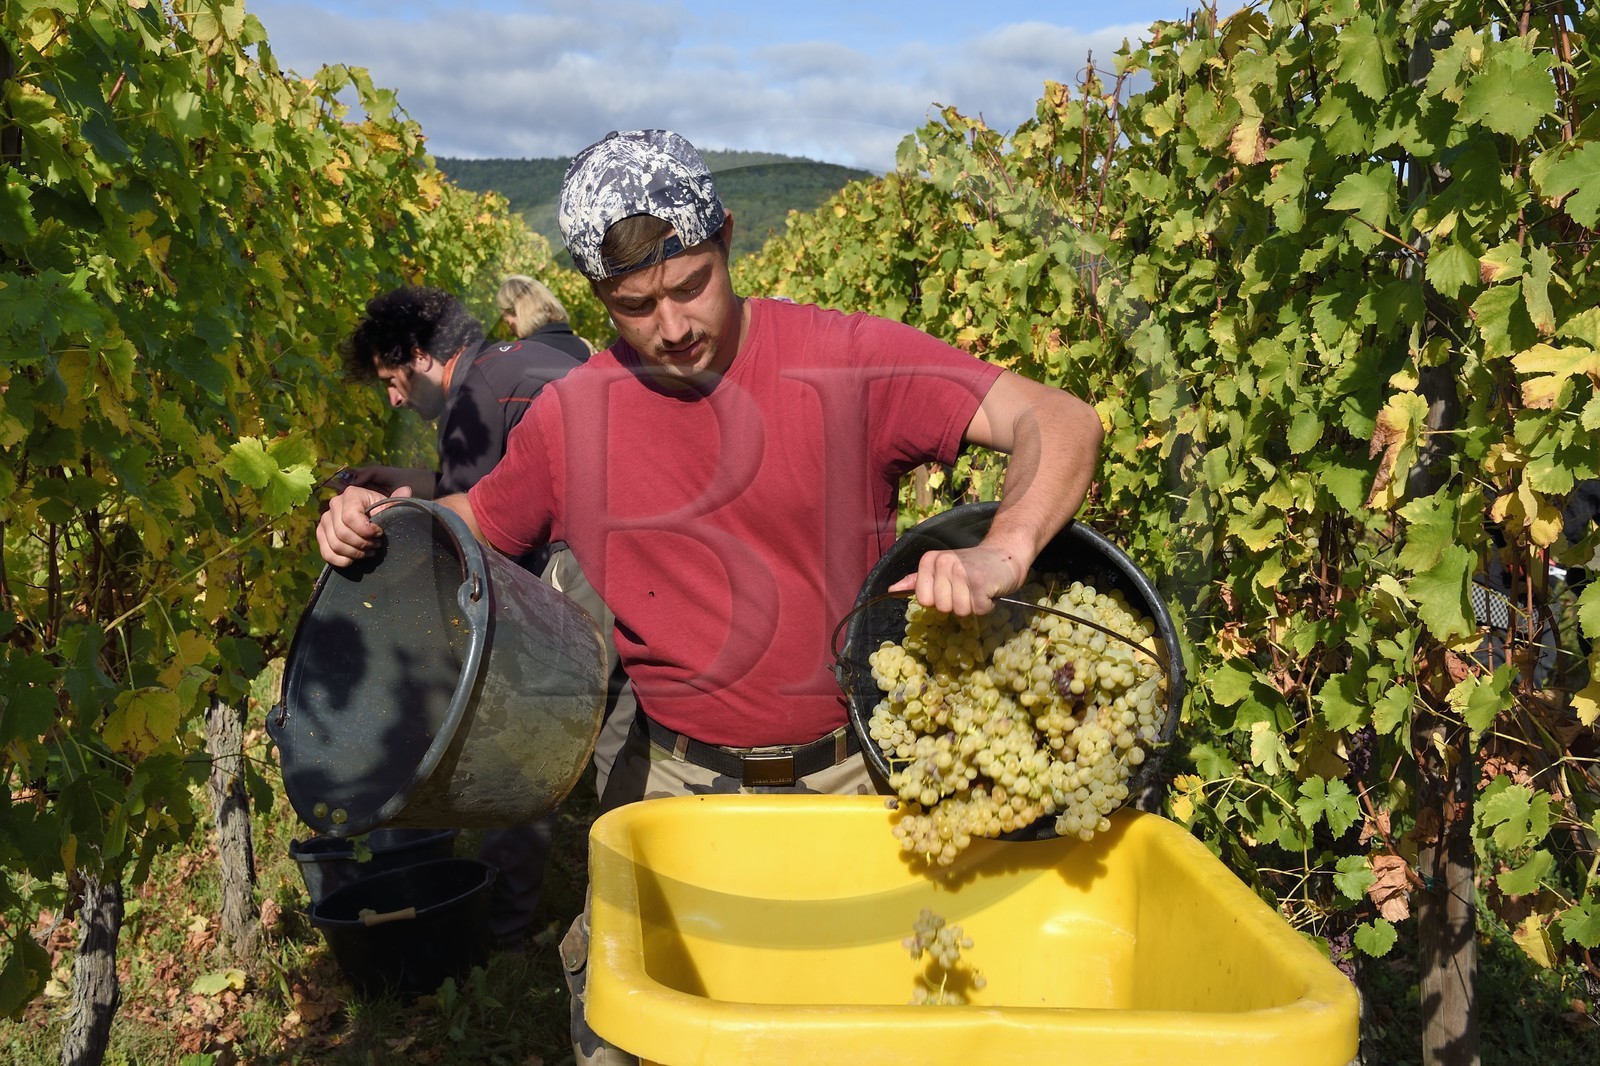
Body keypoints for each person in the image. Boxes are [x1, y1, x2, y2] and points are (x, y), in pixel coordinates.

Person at [315, 130, 1103, 1063]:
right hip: (671, 790)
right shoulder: (571, 418)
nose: (673, 325)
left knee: (858, 1029)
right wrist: (375, 521)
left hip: (857, 780)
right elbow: (474, 531)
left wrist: (1004, 553)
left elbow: (1058, 418)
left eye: (691, 285)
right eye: (634, 305)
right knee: (647, 1034)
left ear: (727, 237)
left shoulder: (845, 358)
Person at [336, 285, 610, 951]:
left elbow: (467, 545)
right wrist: (401, 476)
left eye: (392, 382)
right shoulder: (524, 360)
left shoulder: (474, 398)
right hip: (638, 552)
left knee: (522, 736)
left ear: (424, 356)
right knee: (612, 739)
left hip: (590, 565)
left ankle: (502, 935)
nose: (395, 400)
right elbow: (495, 488)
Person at [495, 274, 595, 361]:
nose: (511, 331)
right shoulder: (586, 347)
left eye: (507, 321)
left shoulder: (521, 356)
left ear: (517, 311)